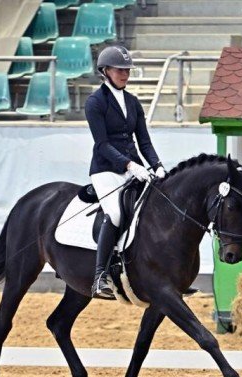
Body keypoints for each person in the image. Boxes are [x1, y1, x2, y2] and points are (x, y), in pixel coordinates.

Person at [85, 45, 166, 299]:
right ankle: (100, 276)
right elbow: (102, 144)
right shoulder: (95, 102)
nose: (125, 74)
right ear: (105, 71)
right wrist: (130, 165)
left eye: (127, 70)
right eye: (119, 69)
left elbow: (144, 141)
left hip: (135, 167)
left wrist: (158, 166)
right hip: (106, 169)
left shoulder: (132, 102)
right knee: (116, 212)